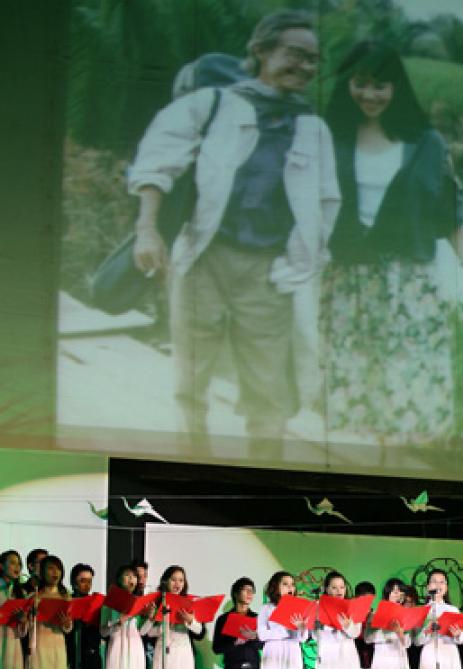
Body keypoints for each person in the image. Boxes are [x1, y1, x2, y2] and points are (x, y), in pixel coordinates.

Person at [129, 10, 340, 451]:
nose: (304, 66)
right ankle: (190, 466)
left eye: (313, 59)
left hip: (268, 272)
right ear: (261, 50)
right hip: (203, 259)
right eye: (294, 54)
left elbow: (325, 202)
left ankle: (263, 474)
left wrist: (301, 262)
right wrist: (147, 229)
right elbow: (156, 162)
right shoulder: (211, 105)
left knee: (268, 390)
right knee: (190, 378)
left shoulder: (313, 128)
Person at [322, 40, 463, 446]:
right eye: (360, 83)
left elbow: (449, 210)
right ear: (347, 84)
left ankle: (401, 466)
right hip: (348, 279)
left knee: (409, 387)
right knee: (352, 388)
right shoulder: (329, 136)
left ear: (396, 87)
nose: (369, 94)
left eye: (380, 85)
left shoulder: (427, 142)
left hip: (410, 283)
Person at [101, 564, 150, 669]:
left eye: (134, 576)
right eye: (127, 576)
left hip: (135, 647)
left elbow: (143, 631)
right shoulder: (110, 601)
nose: (131, 580)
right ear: (119, 579)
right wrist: (117, 622)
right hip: (117, 646)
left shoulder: (139, 602)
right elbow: (103, 631)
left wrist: (150, 617)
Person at [27, 555, 73, 669]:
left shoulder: (66, 597)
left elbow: (68, 629)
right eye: (51, 568)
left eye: (58, 569)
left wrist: (66, 623)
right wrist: (29, 617)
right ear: (42, 572)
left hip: (57, 647)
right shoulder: (34, 597)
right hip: (38, 648)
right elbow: (25, 629)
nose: (55, 573)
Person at [143, 565, 204, 669]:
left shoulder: (189, 602)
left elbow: (200, 633)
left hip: (183, 653)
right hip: (163, 652)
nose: (177, 584)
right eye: (173, 579)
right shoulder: (157, 602)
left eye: (181, 580)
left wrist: (190, 621)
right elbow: (147, 633)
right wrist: (164, 625)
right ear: (166, 581)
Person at [67, 563, 101, 669]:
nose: (86, 585)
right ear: (74, 582)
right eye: (82, 581)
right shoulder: (66, 601)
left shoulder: (96, 603)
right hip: (72, 656)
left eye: (89, 581)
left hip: (92, 656)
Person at [0, 550, 27, 669]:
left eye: (19, 563)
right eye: (12, 562)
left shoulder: (19, 593)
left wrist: (22, 620)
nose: (17, 567)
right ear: (1, 566)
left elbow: (23, 631)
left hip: (12, 643)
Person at [365, 577, 410, 669]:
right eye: (394, 592)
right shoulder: (375, 614)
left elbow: (408, 643)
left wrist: (400, 634)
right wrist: (385, 632)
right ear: (387, 594)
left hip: (399, 657)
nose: (398, 595)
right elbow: (367, 638)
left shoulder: (407, 614)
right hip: (382, 656)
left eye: (400, 592)